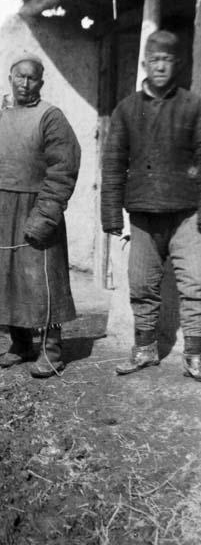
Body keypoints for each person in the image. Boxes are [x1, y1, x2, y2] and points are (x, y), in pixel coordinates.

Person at [0, 52, 81, 378]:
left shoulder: (51, 118)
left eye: (32, 78)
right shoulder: (0, 117)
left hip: (33, 208)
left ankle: (51, 352)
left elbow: (63, 171)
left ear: (41, 82)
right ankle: (21, 344)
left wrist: (45, 215)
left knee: (41, 281)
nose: (25, 83)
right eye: (19, 76)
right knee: (6, 278)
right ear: (10, 77)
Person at [101, 29, 201, 380]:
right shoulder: (126, 110)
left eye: (168, 60)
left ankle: (195, 355)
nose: (161, 66)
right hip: (142, 213)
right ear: (145, 63)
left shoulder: (192, 105)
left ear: (177, 64)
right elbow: (113, 163)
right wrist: (112, 213)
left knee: (195, 284)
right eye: (155, 60)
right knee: (142, 284)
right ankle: (144, 351)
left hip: (187, 212)